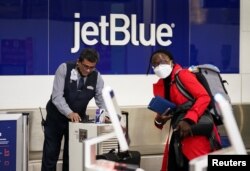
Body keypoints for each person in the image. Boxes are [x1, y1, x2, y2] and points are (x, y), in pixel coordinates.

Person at [147, 49, 221, 171]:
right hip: (178, 136)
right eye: (156, 63)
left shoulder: (183, 75)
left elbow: (204, 97)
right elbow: (163, 117)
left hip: (196, 132)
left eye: (163, 61)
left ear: (171, 62)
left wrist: (189, 119)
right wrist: (159, 120)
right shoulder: (160, 85)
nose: (159, 65)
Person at [41, 47, 106, 171]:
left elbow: (101, 100)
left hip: (77, 122)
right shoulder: (64, 69)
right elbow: (57, 96)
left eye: (92, 67)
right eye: (85, 66)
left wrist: (105, 113)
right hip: (56, 120)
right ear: (78, 62)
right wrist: (69, 112)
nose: (88, 70)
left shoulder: (97, 77)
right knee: (50, 155)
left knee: (72, 157)